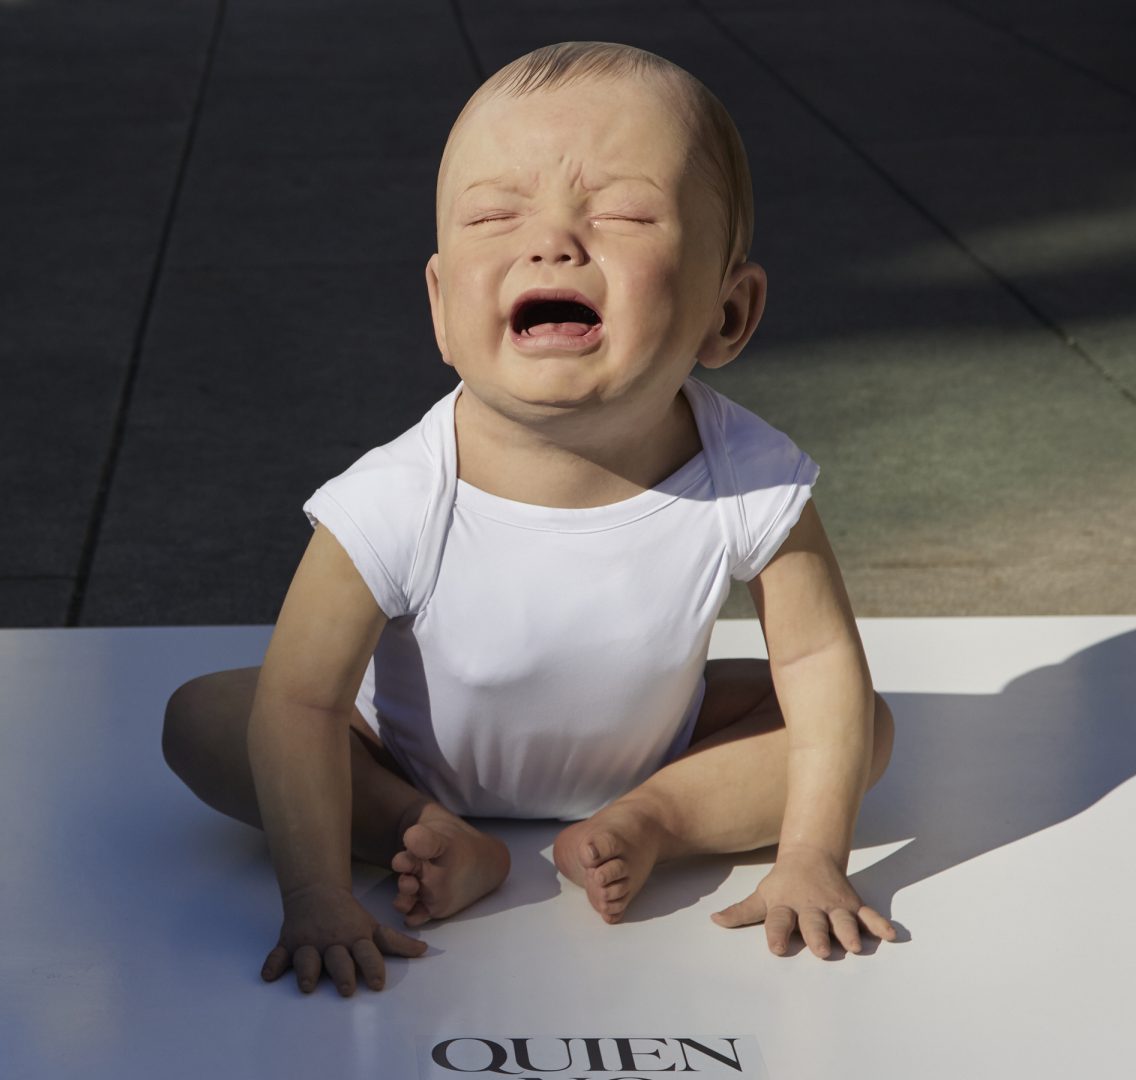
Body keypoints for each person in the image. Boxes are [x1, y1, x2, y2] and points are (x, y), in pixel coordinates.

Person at [160, 41, 900, 998]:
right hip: (409, 761)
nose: (551, 242)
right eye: (494, 216)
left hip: (654, 751)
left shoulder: (751, 480)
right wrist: (315, 894)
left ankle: (653, 820)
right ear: (439, 306)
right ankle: (412, 832)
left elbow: (817, 663)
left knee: (858, 722)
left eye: (626, 212)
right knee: (218, 715)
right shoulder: (395, 495)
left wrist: (811, 853)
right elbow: (306, 703)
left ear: (729, 312)